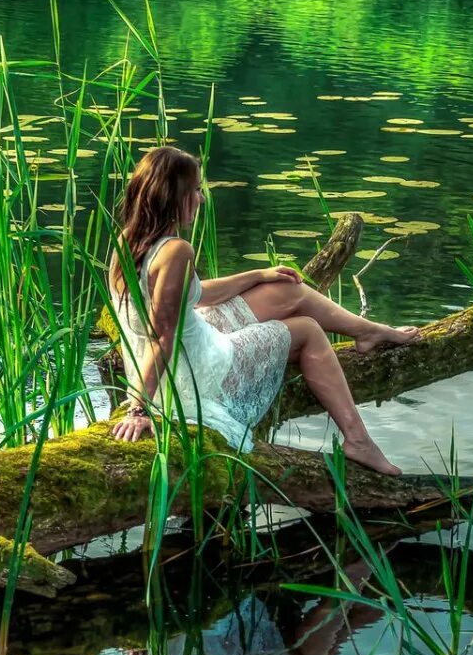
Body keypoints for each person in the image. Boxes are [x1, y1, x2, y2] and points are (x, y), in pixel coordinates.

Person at [107, 144, 415, 475]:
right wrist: (137, 408)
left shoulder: (127, 242)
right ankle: (358, 441)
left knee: (285, 289)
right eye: (195, 190)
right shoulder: (177, 250)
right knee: (309, 329)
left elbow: (186, 299)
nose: (201, 198)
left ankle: (367, 331)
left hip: (187, 352)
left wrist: (258, 275)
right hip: (196, 375)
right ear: (175, 194)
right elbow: (162, 336)